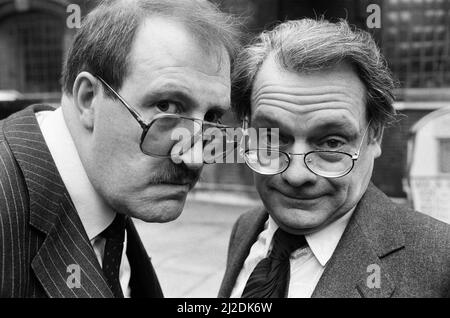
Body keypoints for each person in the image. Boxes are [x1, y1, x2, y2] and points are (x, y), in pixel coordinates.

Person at [0, 0, 240, 298]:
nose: (193, 158)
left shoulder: (105, 183)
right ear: (89, 99)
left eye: (213, 118)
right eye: (166, 108)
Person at [219, 19, 450, 298]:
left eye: (331, 142)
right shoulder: (247, 228)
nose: (296, 174)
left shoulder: (441, 264)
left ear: (374, 136)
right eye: (273, 138)